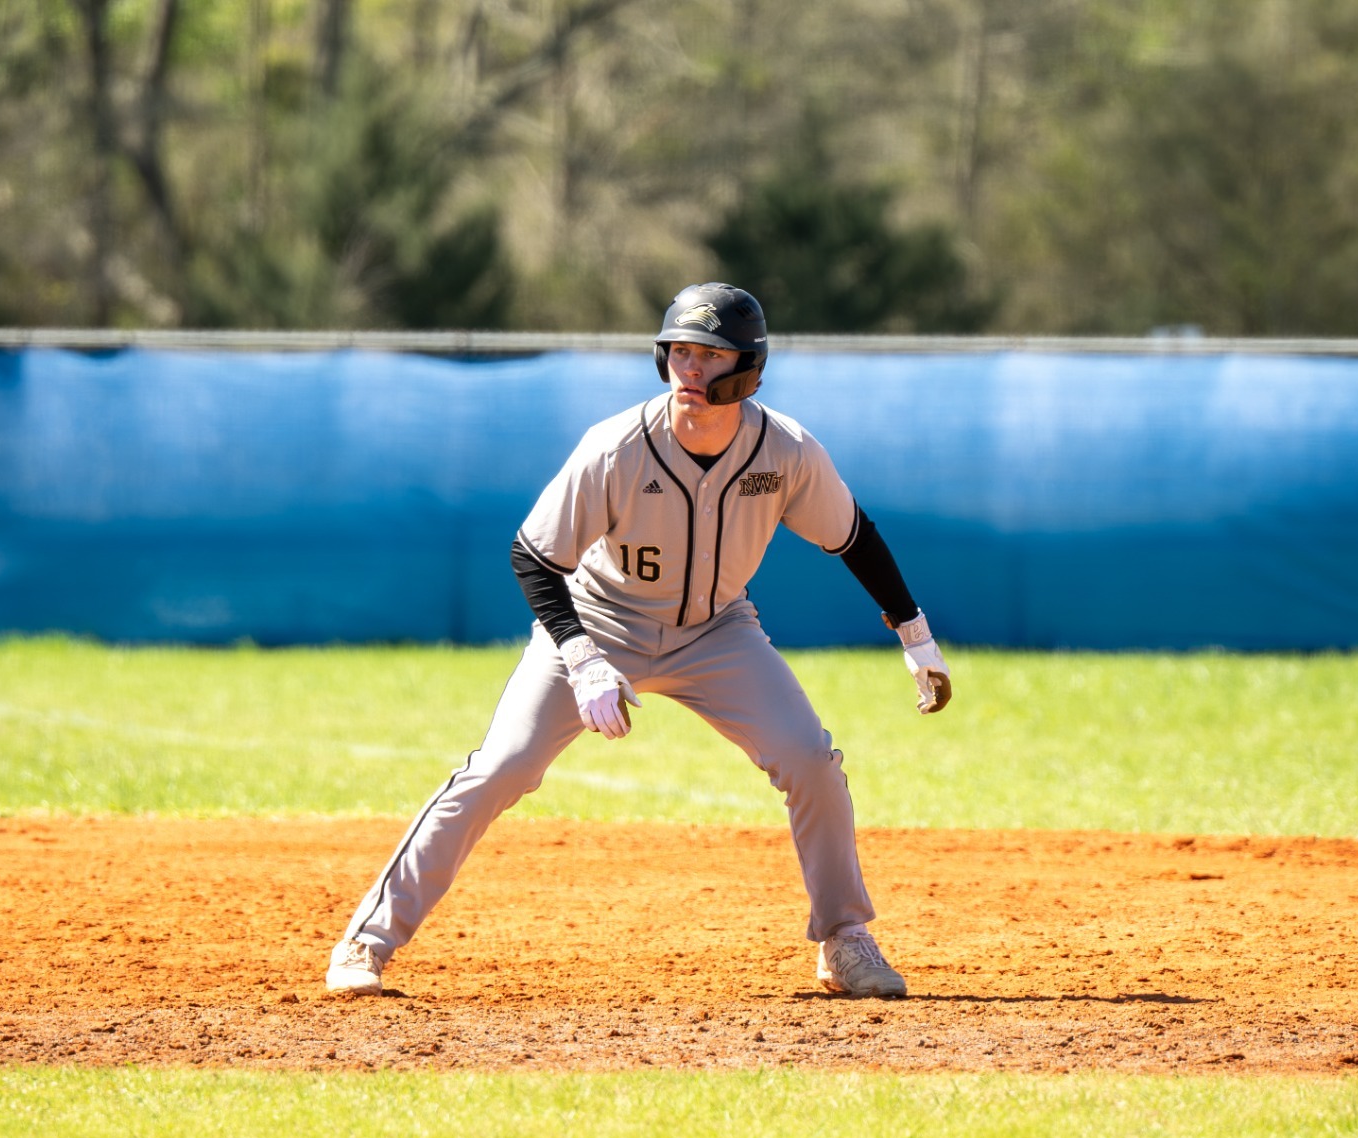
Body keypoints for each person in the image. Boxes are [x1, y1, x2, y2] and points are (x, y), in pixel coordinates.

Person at [325, 282, 951, 999]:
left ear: (747, 369)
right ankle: (367, 940)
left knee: (811, 761)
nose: (690, 368)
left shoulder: (785, 451)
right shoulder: (616, 447)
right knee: (501, 767)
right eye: (679, 351)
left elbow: (853, 536)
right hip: (598, 620)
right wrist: (581, 656)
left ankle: (844, 939)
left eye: (709, 355)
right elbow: (534, 557)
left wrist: (915, 634)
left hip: (718, 630)